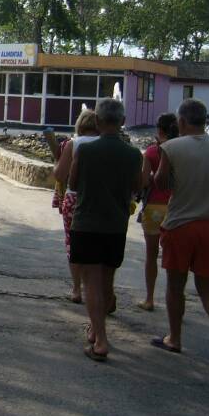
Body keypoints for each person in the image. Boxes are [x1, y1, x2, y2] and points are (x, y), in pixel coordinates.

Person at [152, 98, 209, 367]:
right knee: (208, 287)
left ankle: (175, 338)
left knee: (175, 285)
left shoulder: (171, 147)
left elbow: (161, 182)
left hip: (180, 225)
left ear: (181, 121)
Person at [67, 99, 144, 361]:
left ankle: (100, 340)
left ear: (98, 121)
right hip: (115, 225)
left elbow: (73, 183)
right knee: (107, 280)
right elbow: (137, 187)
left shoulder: (85, 151)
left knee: (91, 283)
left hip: (87, 223)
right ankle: (96, 327)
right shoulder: (133, 154)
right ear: (123, 122)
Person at [52, 109, 100, 305]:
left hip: (74, 199)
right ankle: (96, 288)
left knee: (73, 243)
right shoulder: (105, 143)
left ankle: (76, 288)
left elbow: (59, 175)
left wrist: (57, 161)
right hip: (99, 199)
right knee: (96, 244)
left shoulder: (74, 144)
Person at [137, 113, 178, 311]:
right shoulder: (181, 150)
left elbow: (143, 181)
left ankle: (149, 298)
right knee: (174, 259)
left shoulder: (152, 152)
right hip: (176, 207)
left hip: (154, 207)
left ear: (159, 129)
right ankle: (174, 300)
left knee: (151, 255)